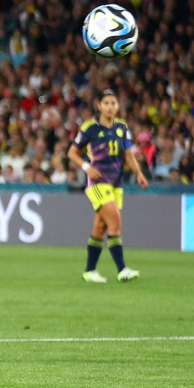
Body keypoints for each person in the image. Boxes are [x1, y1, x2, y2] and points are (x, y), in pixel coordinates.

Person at [67, 90, 149, 282]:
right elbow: (72, 152)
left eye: (113, 103)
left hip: (117, 183)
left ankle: (89, 271)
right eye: (107, 103)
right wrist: (87, 167)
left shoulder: (122, 127)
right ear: (99, 106)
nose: (110, 107)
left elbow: (128, 155)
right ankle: (122, 270)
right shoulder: (90, 127)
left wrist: (138, 173)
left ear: (117, 106)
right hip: (98, 182)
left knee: (100, 227)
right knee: (115, 223)